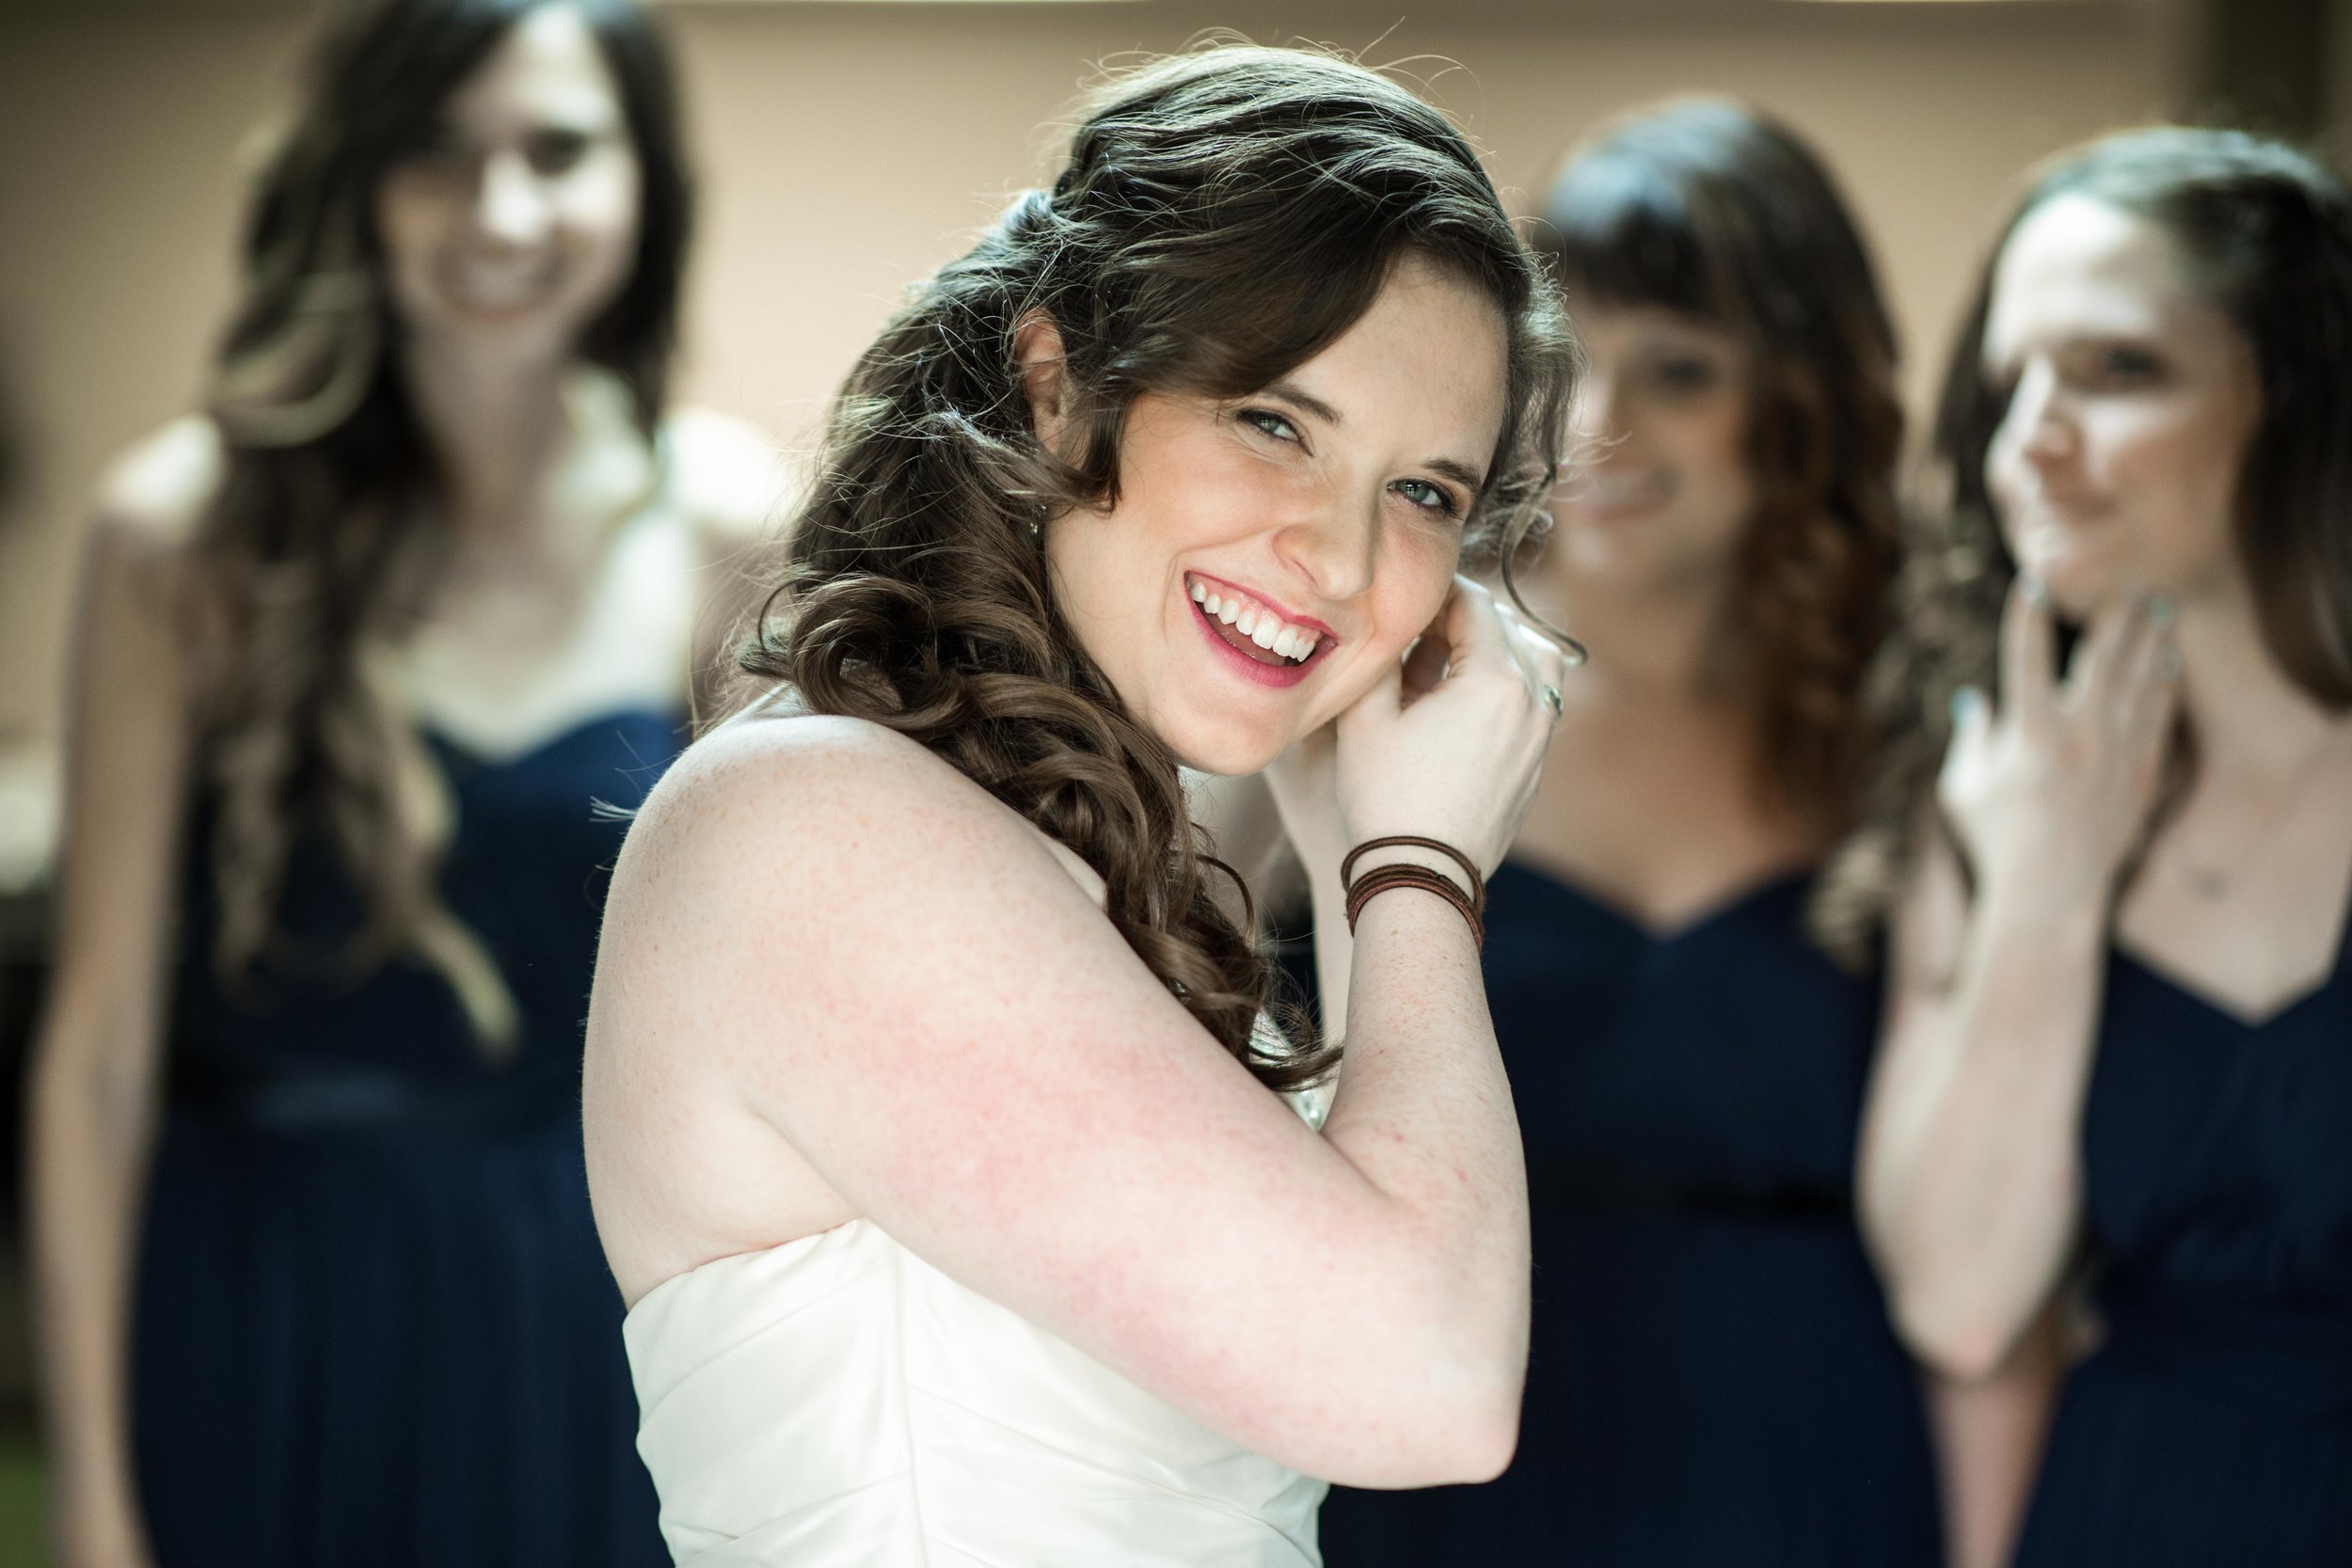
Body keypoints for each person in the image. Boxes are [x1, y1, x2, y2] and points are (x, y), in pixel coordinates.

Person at [583, 45, 1579, 1565]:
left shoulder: (1073, 855)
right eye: (1276, 423)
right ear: (1061, 387)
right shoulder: (813, 824)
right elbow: (1429, 1384)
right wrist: (1420, 866)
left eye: (1424, 493)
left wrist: (1341, 828)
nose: (1333, 554)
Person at [26, 2, 775, 1563]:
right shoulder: (179, 539)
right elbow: (96, 1052)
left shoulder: (727, 527)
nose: (502, 213)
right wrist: (93, 1491)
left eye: (559, 151)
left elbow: (768, 1016)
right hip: (261, 1298)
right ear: (357, 176)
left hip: (593, 1315)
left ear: (644, 181)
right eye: (439, 153)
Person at [1317, 100, 1947, 1567]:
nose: (1603, 421)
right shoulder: (1385, 677)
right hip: (1450, 1450)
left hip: (1809, 1453)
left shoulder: (1912, 736)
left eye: (1682, 368)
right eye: (1571, 356)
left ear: (1800, 404)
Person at [1836, 126, 2352, 1566]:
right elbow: (1963, 1301)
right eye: (2011, 388)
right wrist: (2046, 898)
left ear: (2298, 393)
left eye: (2118, 370)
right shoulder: (1988, 798)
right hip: (2138, 1514)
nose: (2029, 447)